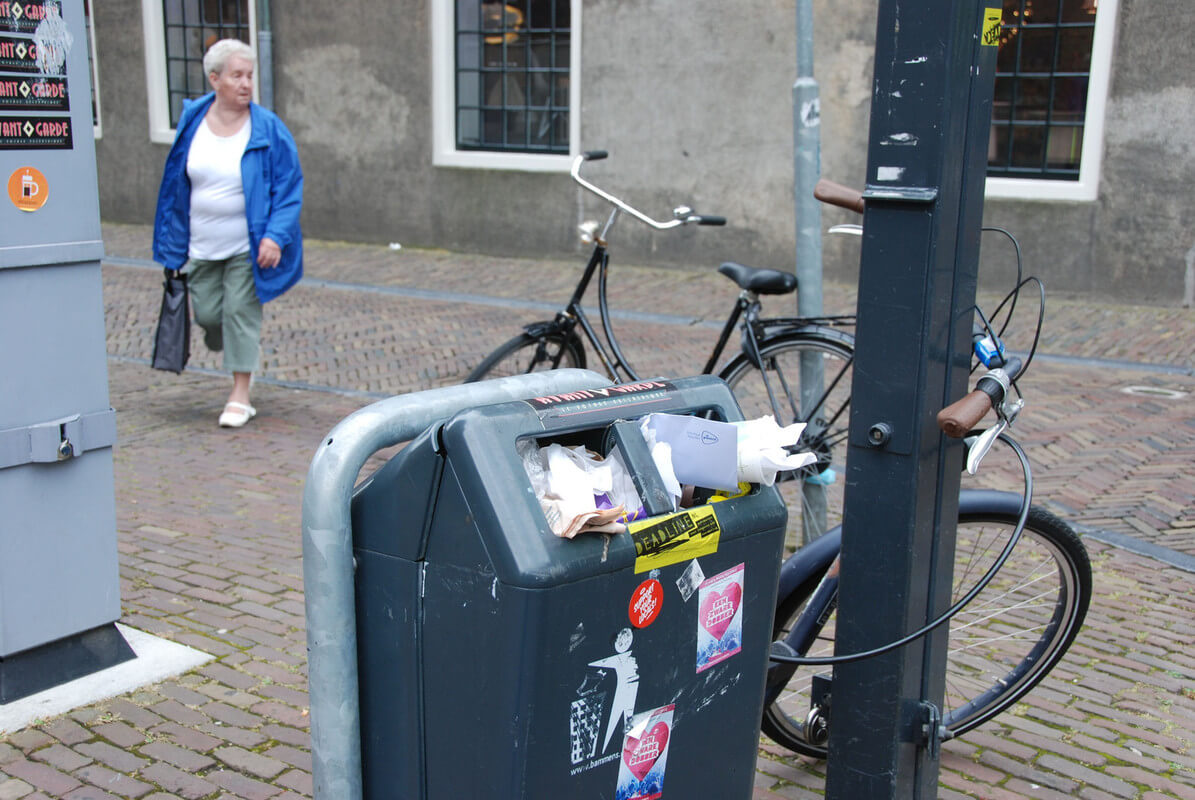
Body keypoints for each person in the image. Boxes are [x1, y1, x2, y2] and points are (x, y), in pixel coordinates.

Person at [152, 39, 303, 428]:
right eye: (237, 75)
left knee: (240, 312)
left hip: (247, 246)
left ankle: (240, 394)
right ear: (214, 79)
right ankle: (230, 346)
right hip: (202, 244)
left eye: (250, 76)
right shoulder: (192, 124)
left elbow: (289, 187)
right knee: (207, 315)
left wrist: (275, 236)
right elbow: (174, 184)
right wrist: (171, 238)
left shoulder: (268, 129)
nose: (246, 83)